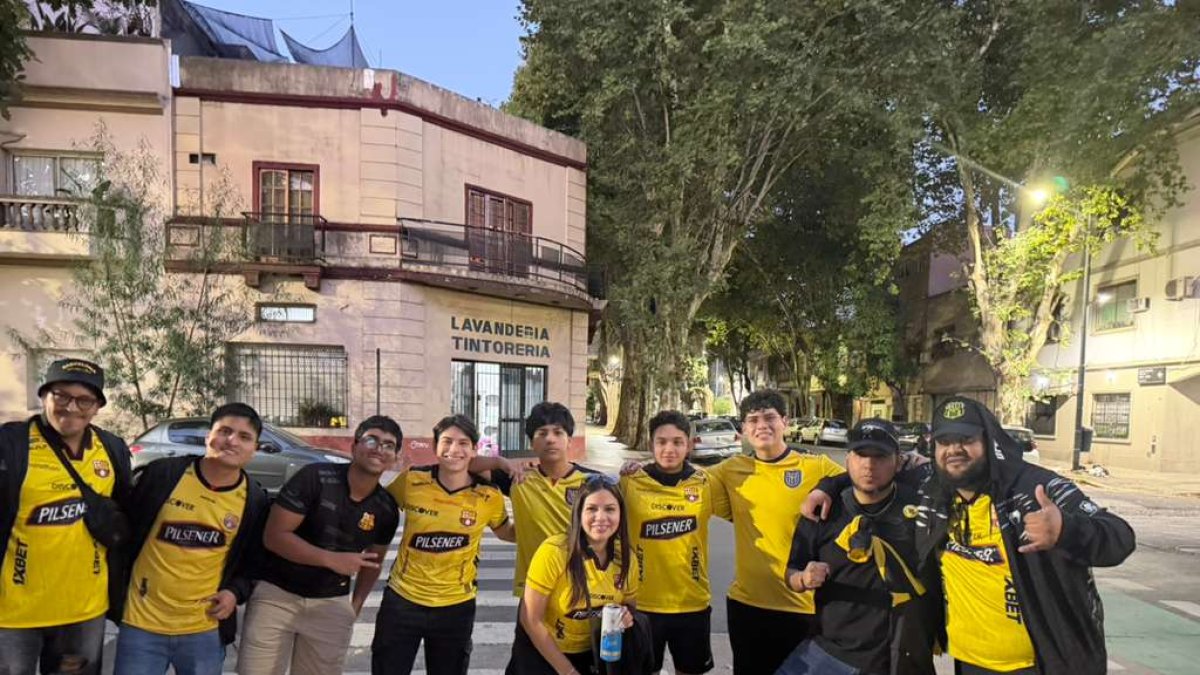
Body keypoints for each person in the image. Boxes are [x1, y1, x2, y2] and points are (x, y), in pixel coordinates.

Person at [805, 396, 1137, 675]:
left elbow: (1120, 536)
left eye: (966, 440)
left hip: (1044, 662)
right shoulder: (930, 488)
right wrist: (828, 486)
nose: (955, 450)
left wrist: (1067, 529)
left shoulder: (1033, 488)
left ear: (988, 442)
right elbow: (871, 474)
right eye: (945, 442)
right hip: (969, 662)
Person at [112, 403, 271, 675]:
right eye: (225, 431)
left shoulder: (254, 501)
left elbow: (253, 563)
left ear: (254, 448)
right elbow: (123, 532)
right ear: (208, 436)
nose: (232, 441)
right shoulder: (163, 475)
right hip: (141, 626)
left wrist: (235, 593)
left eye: (244, 437)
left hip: (204, 631)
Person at [237, 416, 403, 675]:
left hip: (331, 604)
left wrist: (354, 607)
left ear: (395, 457)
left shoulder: (386, 508)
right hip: (277, 595)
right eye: (371, 439)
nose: (378, 448)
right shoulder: (314, 477)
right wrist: (331, 559)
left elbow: (372, 563)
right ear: (355, 445)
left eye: (388, 445)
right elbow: (275, 536)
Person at [0, 358, 132, 675]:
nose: (71, 408)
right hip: (14, 612)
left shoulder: (111, 448)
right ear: (44, 396)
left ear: (97, 406)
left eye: (84, 399)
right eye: (61, 396)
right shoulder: (11, 444)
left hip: (84, 612)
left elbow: (124, 513)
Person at [706, 389, 846, 675]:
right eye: (753, 420)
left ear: (785, 421)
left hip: (802, 607)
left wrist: (826, 486)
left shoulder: (815, 466)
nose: (761, 426)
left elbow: (856, 478)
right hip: (747, 605)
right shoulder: (730, 470)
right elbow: (684, 484)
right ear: (743, 428)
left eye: (770, 418)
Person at [778, 419, 933, 675]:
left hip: (902, 653)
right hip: (831, 652)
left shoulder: (921, 507)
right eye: (861, 455)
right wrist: (804, 579)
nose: (869, 465)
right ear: (848, 459)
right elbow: (790, 573)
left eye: (880, 456)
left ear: (897, 460)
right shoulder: (822, 510)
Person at [372, 414, 516, 675]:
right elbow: (377, 510)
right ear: (435, 446)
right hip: (402, 602)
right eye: (447, 441)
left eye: (463, 443)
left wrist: (541, 521)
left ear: (474, 450)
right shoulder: (412, 481)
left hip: (456, 608)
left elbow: (508, 533)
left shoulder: (489, 495)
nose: (454, 450)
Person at [506, 475, 642, 675]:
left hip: (591, 653)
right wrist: (567, 671)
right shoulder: (554, 551)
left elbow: (629, 605)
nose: (601, 518)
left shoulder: (626, 558)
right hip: (543, 652)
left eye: (610, 509)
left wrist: (626, 616)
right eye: (592, 509)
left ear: (621, 513)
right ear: (579, 512)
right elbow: (530, 619)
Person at [619, 410, 715, 675]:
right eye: (661, 442)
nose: (669, 449)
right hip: (643, 605)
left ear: (689, 444)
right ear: (651, 444)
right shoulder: (631, 482)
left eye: (677, 442)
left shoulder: (706, 483)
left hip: (692, 603)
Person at [490, 401, 602, 598]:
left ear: (569, 440)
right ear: (531, 442)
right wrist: (501, 461)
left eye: (558, 433)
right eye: (542, 433)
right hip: (533, 590)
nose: (550, 439)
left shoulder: (593, 482)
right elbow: (466, 465)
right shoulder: (518, 478)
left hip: (582, 589)